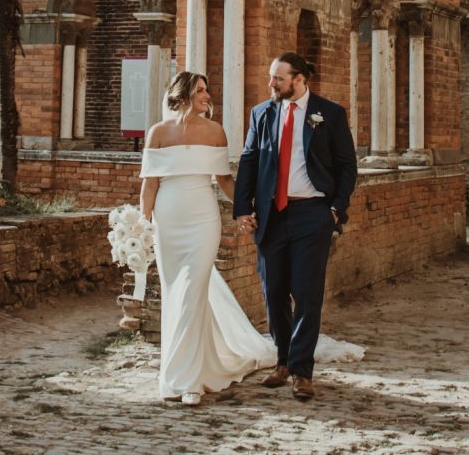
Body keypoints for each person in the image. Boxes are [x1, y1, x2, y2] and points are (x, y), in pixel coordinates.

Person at [139, 71, 275, 404]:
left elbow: (224, 179)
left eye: (207, 90)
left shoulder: (215, 132)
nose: (207, 95)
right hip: (168, 221)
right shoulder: (158, 133)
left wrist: (244, 210)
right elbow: (150, 184)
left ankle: (187, 382)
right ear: (183, 93)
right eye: (200, 90)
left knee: (191, 291)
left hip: (202, 219)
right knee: (176, 294)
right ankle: (185, 367)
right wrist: (143, 226)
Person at [232, 52, 359, 401]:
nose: (271, 83)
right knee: (273, 292)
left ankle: (302, 372)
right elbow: (249, 160)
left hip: (312, 214)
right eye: (271, 77)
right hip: (271, 216)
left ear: (299, 79)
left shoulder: (330, 114)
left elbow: (347, 166)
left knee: (306, 294)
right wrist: (242, 209)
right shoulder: (261, 113)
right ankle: (283, 361)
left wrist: (335, 210)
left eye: (278, 78)